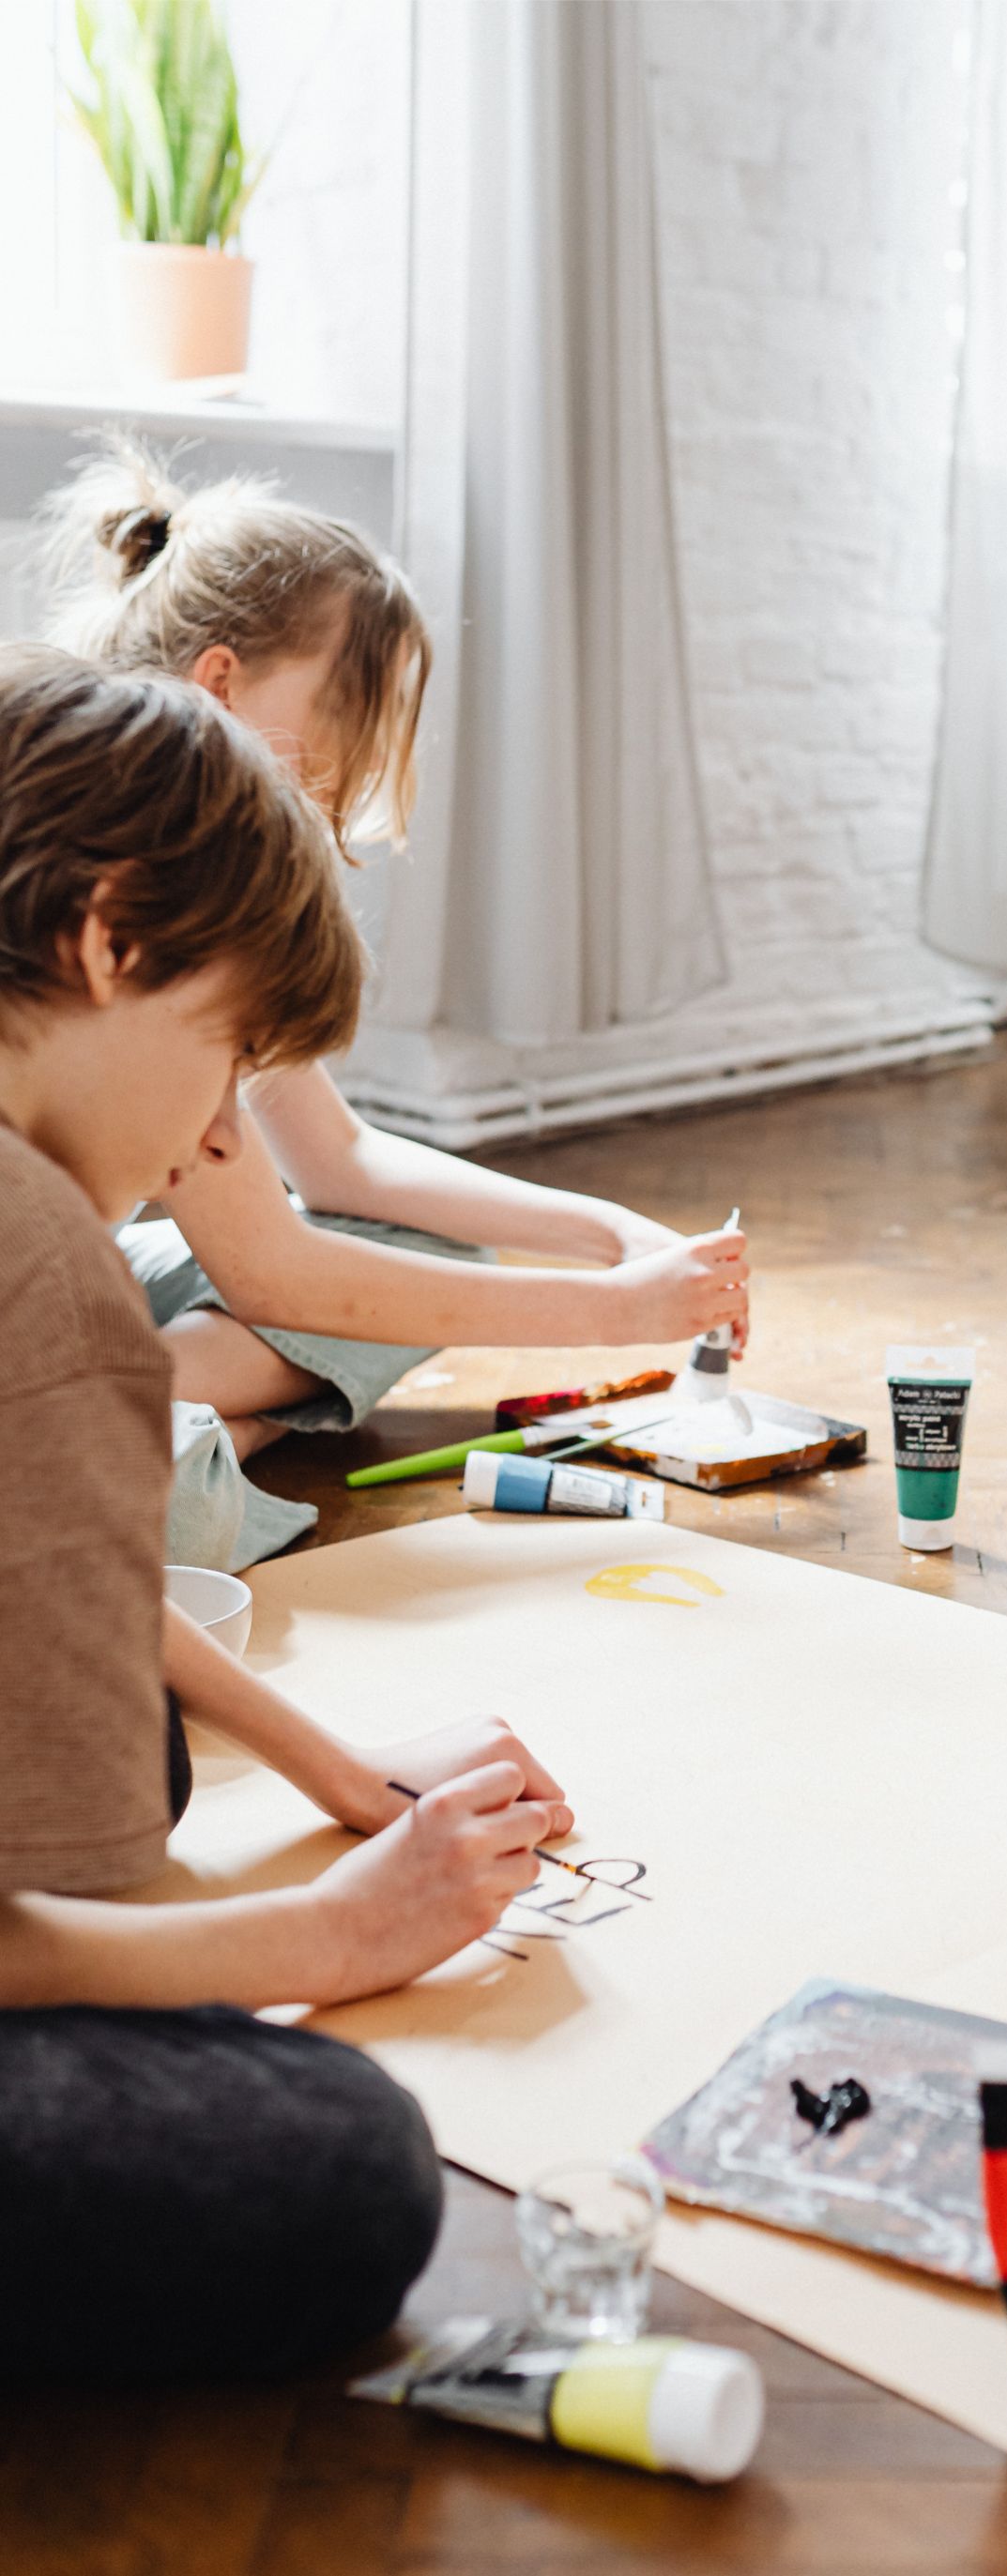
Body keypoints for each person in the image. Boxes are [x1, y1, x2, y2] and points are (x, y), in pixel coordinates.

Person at [0, 649, 572, 2382]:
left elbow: (64, 1580)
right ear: (112, 936)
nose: (206, 1145)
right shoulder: (43, 1270)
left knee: (159, 1772)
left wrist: (333, 1773)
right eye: (228, 1053)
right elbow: (53, 1946)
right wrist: (341, 1928)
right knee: (334, 2163)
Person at [38, 441, 749, 1569]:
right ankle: (182, 1420)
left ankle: (161, 1414)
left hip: (76, 1281)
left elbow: (340, 1162)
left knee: (440, 1246)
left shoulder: (179, 848)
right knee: (158, 1505)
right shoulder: (137, 875)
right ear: (219, 681)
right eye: (340, 723)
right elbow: (271, 1263)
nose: (336, 777)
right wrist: (621, 1310)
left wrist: (611, 1241)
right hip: (50, 1307)